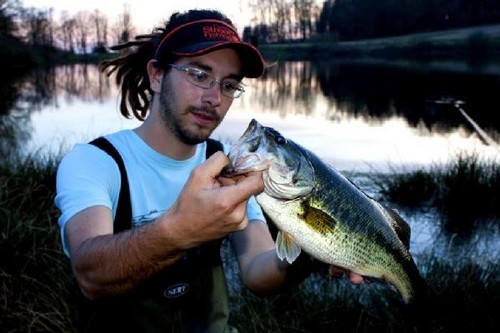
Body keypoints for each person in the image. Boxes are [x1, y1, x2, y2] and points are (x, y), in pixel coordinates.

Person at [55, 9, 367, 333]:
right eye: (199, 75)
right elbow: (90, 275)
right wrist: (178, 232)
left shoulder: (231, 165)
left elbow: (258, 271)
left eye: (229, 84)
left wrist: (311, 252)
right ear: (157, 75)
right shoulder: (96, 161)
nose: (215, 98)